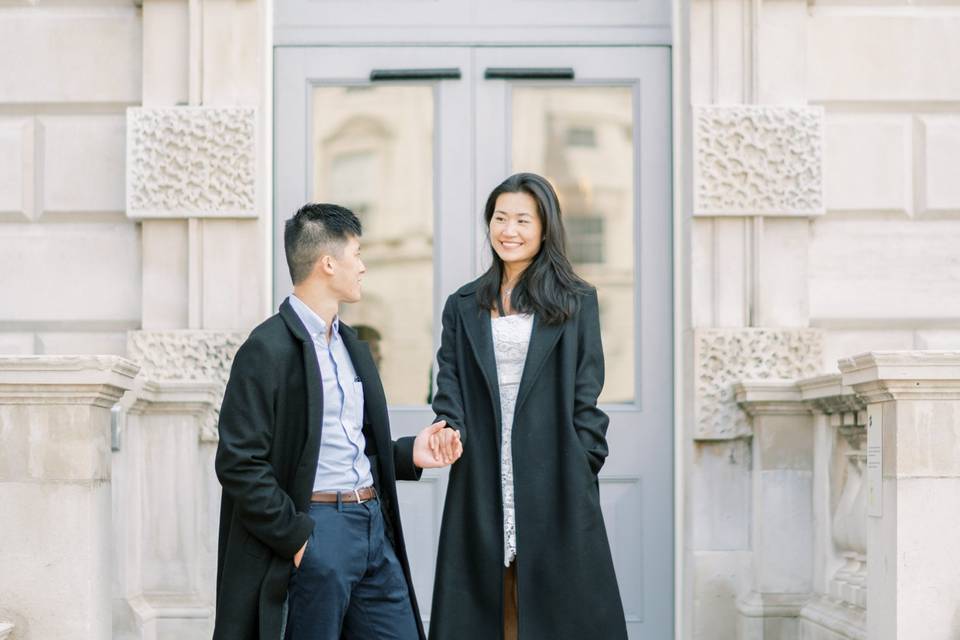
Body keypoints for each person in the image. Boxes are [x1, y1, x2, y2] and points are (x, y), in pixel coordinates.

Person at [212, 203, 462, 640]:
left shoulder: (352, 345)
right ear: (328, 263)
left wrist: (408, 455)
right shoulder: (265, 349)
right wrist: (296, 538)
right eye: (357, 253)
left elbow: (351, 444)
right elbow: (238, 462)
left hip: (371, 525)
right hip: (317, 530)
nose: (363, 266)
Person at [428, 173, 627, 639]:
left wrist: (582, 462)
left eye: (522, 219)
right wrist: (448, 426)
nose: (508, 230)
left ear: (544, 227)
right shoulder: (463, 304)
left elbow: (587, 393)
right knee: (489, 601)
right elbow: (449, 382)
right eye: (500, 218)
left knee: (555, 608)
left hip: (556, 471)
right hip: (482, 469)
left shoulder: (577, 301)